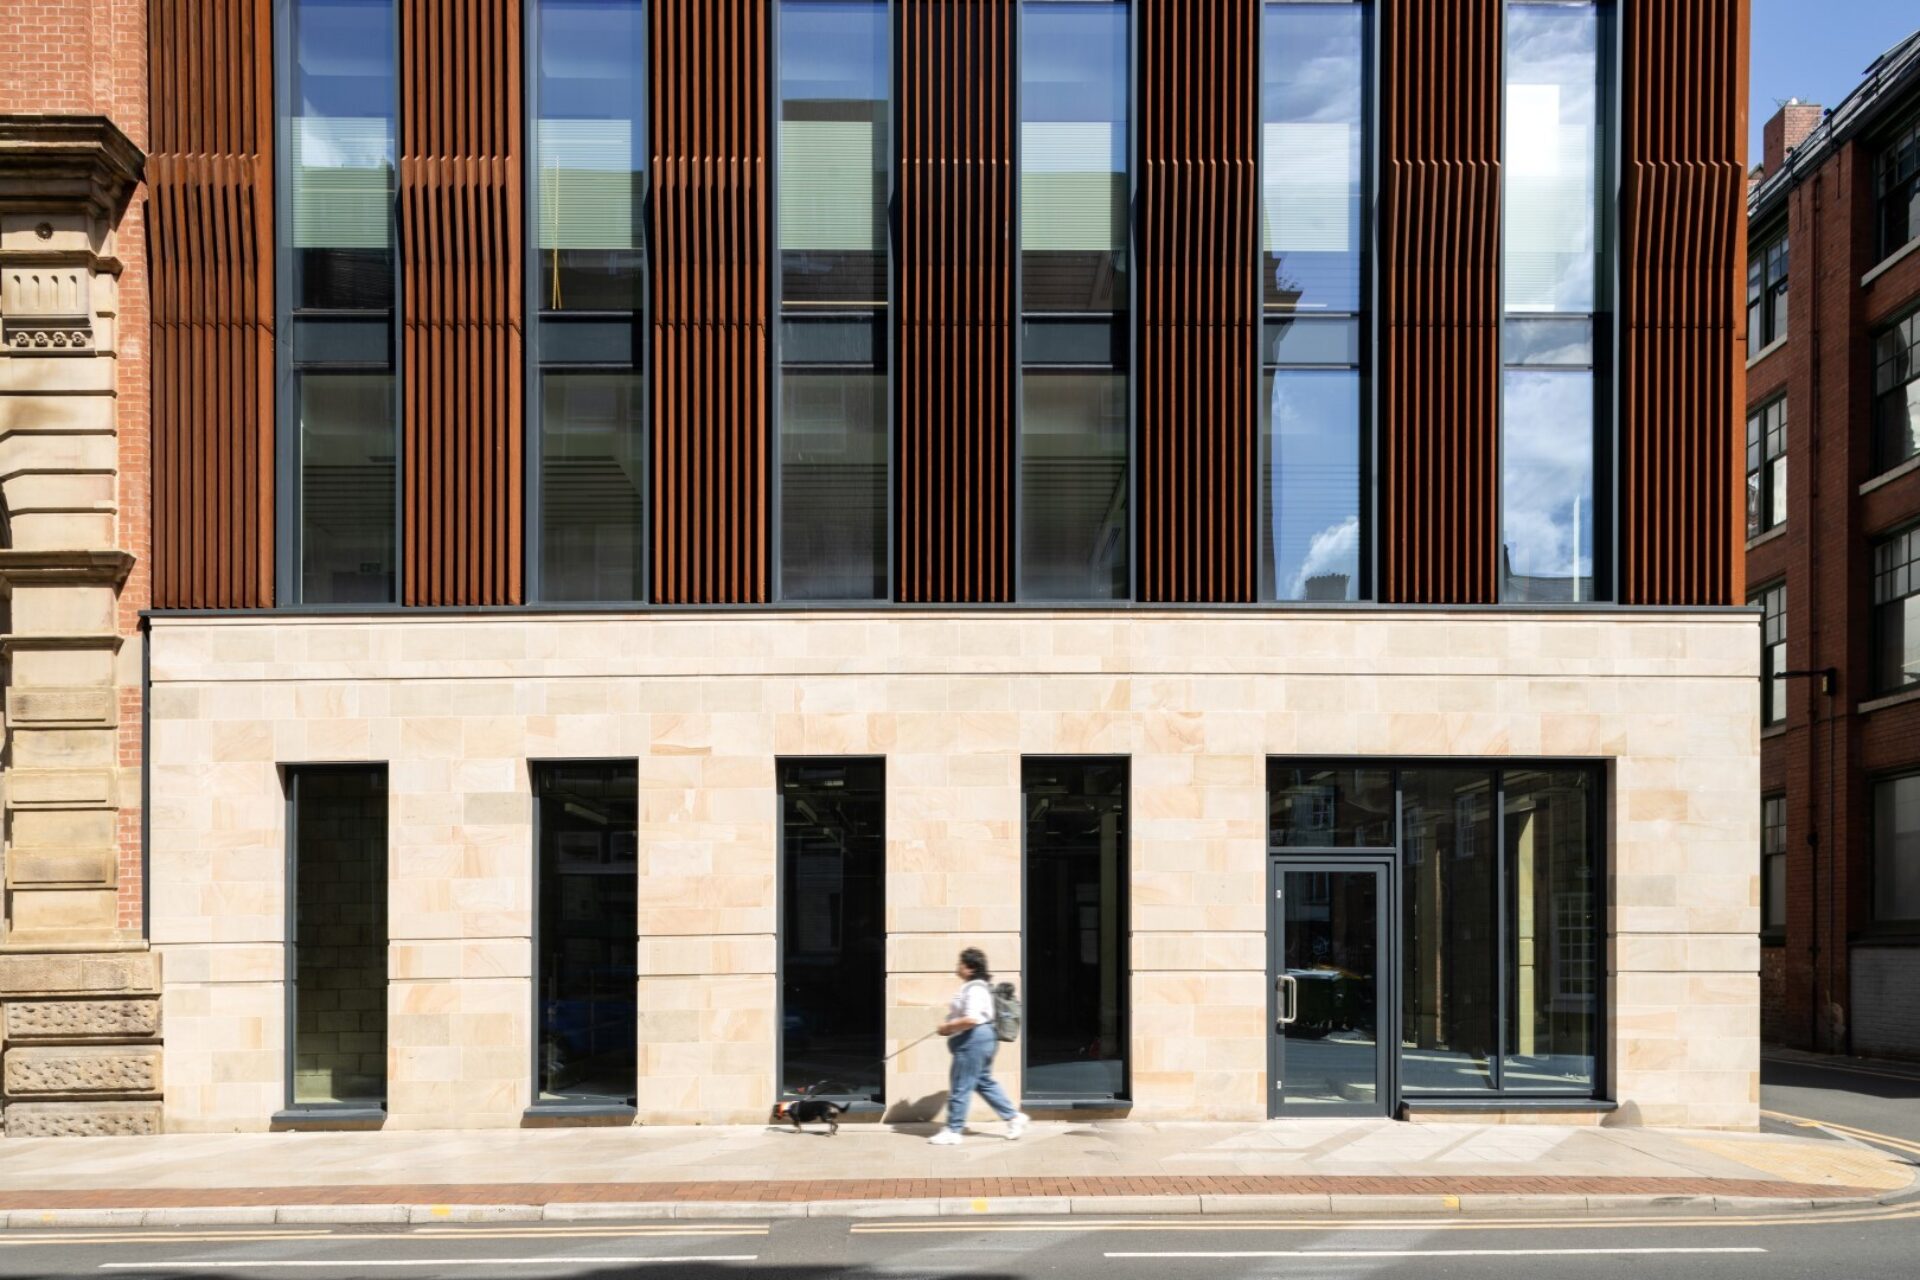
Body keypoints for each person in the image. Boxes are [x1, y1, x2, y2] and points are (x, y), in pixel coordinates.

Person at [929, 948, 1029, 1145]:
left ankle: (953, 1131)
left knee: (961, 1085)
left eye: (960, 963)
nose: (957, 966)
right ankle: (1014, 1117)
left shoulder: (974, 989)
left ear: (970, 968)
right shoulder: (976, 987)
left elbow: (971, 1019)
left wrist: (947, 1027)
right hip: (981, 1038)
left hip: (973, 1040)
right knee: (983, 1082)